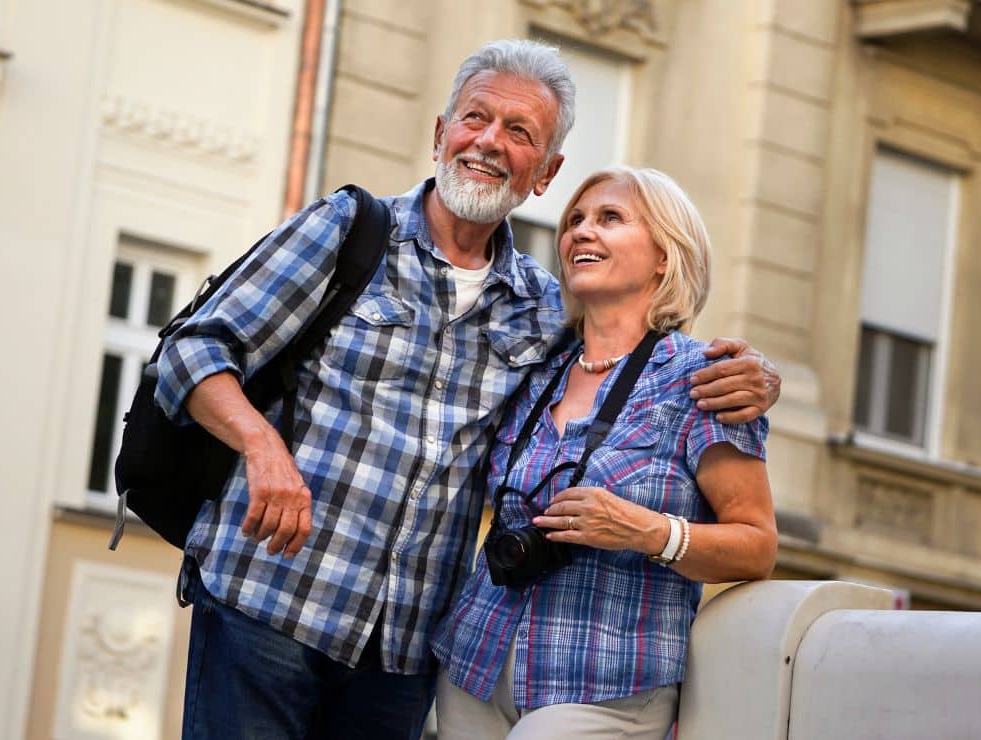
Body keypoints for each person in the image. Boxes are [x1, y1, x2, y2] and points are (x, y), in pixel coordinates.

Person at [155, 40, 780, 740]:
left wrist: (759, 374)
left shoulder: (543, 313)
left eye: (519, 133)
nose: (488, 142)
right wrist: (261, 446)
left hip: (400, 650)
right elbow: (192, 349)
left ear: (544, 172)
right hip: (268, 599)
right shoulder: (347, 232)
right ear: (440, 134)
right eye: (475, 118)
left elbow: (636, 359)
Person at [431, 166, 778, 740]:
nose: (581, 232)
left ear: (665, 255)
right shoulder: (538, 365)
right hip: (476, 663)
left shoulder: (705, 379)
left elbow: (757, 546)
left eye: (610, 219)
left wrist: (644, 530)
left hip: (608, 683)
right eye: (575, 221)